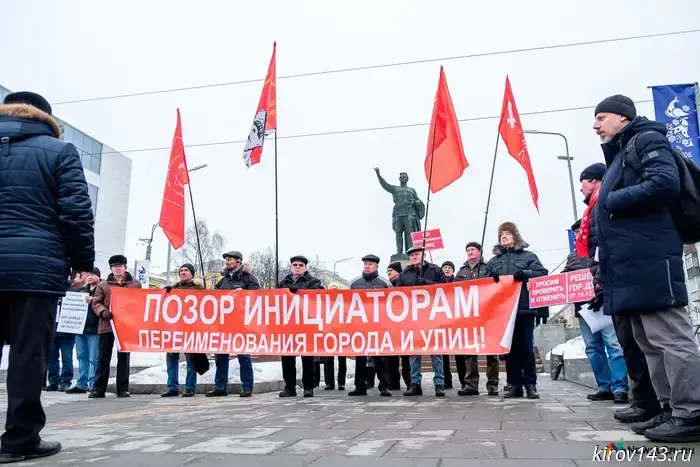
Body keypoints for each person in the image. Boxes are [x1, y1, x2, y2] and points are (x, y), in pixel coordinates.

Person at [591, 95, 700, 442]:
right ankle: (670, 409)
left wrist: (614, 200)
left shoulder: (647, 139)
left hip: (651, 260)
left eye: (601, 117)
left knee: (670, 338)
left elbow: (664, 182)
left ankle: (692, 411)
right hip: (630, 266)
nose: (595, 125)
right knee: (649, 341)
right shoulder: (622, 151)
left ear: (623, 118)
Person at [0, 91, 95, 462]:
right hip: (34, 270)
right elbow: (76, 211)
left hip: (29, 266)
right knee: (27, 357)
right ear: (47, 119)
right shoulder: (59, 152)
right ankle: (19, 441)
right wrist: (81, 261)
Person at [579, 162, 661, 426]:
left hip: (623, 280)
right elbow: (596, 249)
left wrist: (601, 279)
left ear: (594, 181)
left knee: (634, 343)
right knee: (629, 342)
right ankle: (644, 402)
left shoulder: (604, 203)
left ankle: (653, 403)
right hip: (612, 282)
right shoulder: (594, 208)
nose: (581, 187)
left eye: (584, 181)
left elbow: (606, 245)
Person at [566, 219, 629, 404]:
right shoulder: (572, 256)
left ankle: (619, 388)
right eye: (576, 233)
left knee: (614, 346)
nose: (578, 235)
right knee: (593, 348)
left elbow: (609, 270)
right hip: (583, 309)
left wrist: (602, 291)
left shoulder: (600, 249)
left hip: (603, 304)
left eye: (581, 231)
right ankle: (604, 386)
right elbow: (565, 280)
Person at [487, 222, 548, 399]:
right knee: (510, 350)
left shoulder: (529, 256)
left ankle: (530, 385)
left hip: (524, 309)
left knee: (527, 349)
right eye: (501, 235)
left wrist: (526, 273)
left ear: (515, 236)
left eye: (507, 233)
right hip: (503, 313)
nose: (503, 237)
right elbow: (484, 283)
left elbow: (542, 273)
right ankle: (514, 385)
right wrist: (491, 278)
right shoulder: (493, 262)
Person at [397, 246, 448, 397]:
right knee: (414, 352)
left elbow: (446, 289)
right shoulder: (404, 274)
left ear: (423, 255)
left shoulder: (435, 270)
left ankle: (439, 383)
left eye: (416, 254)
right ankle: (415, 384)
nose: (413, 256)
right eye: (411, 255)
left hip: (433, 316)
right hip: (413, 317)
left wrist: (426, 283)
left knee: (435, 351)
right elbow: (397, 294)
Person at [208, 251, 259, 397]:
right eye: (226, 260)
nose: (227, 262)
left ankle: (247, 386)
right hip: (223, 323)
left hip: (241, 323)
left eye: (229, 259)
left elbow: (258, 296)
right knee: (221, 355)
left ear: (238, 261)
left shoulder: (249, 279)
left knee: (243, 355)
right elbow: (214, 298)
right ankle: (220, 386)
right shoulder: (223, 280)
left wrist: (244, 293)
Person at [90, 255, 142, 399]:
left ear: (125, 267)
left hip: (126, 326)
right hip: (107, 324)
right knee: (103, 357)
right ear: (111, 268)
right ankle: (99, 389)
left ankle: (123, 388)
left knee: (124, 357)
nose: (117, 268)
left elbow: (141, 302)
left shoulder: (135, 284)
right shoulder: (103, 285)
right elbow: (96, 303)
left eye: (120, 266)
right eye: (114, 266)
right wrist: (103, 312)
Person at [455, 241, 500, 396]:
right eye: (468, 250)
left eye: (473, 249)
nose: (470, 252)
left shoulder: (489, 268)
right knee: (470, 351)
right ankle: (471, 384)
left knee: (492, 350)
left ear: (480, 252)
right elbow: (453, 292)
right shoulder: (461, 272)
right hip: (469, 315)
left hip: (487, 314)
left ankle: (492, 384)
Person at [278, 255, 324, 397]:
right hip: (288, 325)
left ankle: (308, 387)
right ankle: (289, 387)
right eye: (295, 265)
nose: (297, 267)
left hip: (306, 325)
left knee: (307, 358)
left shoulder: (313, 282)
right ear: (291, 267)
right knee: (287, 358)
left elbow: (319, 295)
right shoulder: (283, 283)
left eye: (300, 265)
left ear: (305, 268)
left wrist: (299, 292)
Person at [348, 254, 393, 396]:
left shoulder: (385, 283)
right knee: (360, 357)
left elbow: (393, 303)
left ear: (377, 266)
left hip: (379, 326)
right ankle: (359, 386)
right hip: (360, 326)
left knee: (381, 357)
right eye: (365, 263)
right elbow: (347, 303)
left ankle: (384, 386)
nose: (367, 266)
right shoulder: (354, 283)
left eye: (370, 264)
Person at [161, 264, 205, 397]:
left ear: (192, 274)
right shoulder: (173, 289)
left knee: (191, 359)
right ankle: (172, 387)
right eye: (181, 271)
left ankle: (190, 387)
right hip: (174, 328)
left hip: (192, 329)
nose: (183, 273)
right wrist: (166, 293)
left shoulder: (199, 289)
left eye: (186, 270)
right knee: (171, 358)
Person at [66, 268, 102, 395]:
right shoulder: (82, 290)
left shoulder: (102, 290)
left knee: (94, 358)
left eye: (93, 275)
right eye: (89, 275)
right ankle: (81, 384)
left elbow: (108, 305)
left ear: (98, 276)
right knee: (81, 357)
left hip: (95, 329)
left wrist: (94, 301)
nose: (90, 277)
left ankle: (93, 384)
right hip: (80, 328)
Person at [46, 280, 79, 392]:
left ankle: (65, 382)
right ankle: (53, 382)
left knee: (67, 358)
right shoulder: (51, 288)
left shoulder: (74, 289)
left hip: (67, 332)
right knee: (51, 359)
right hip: (52, 331)